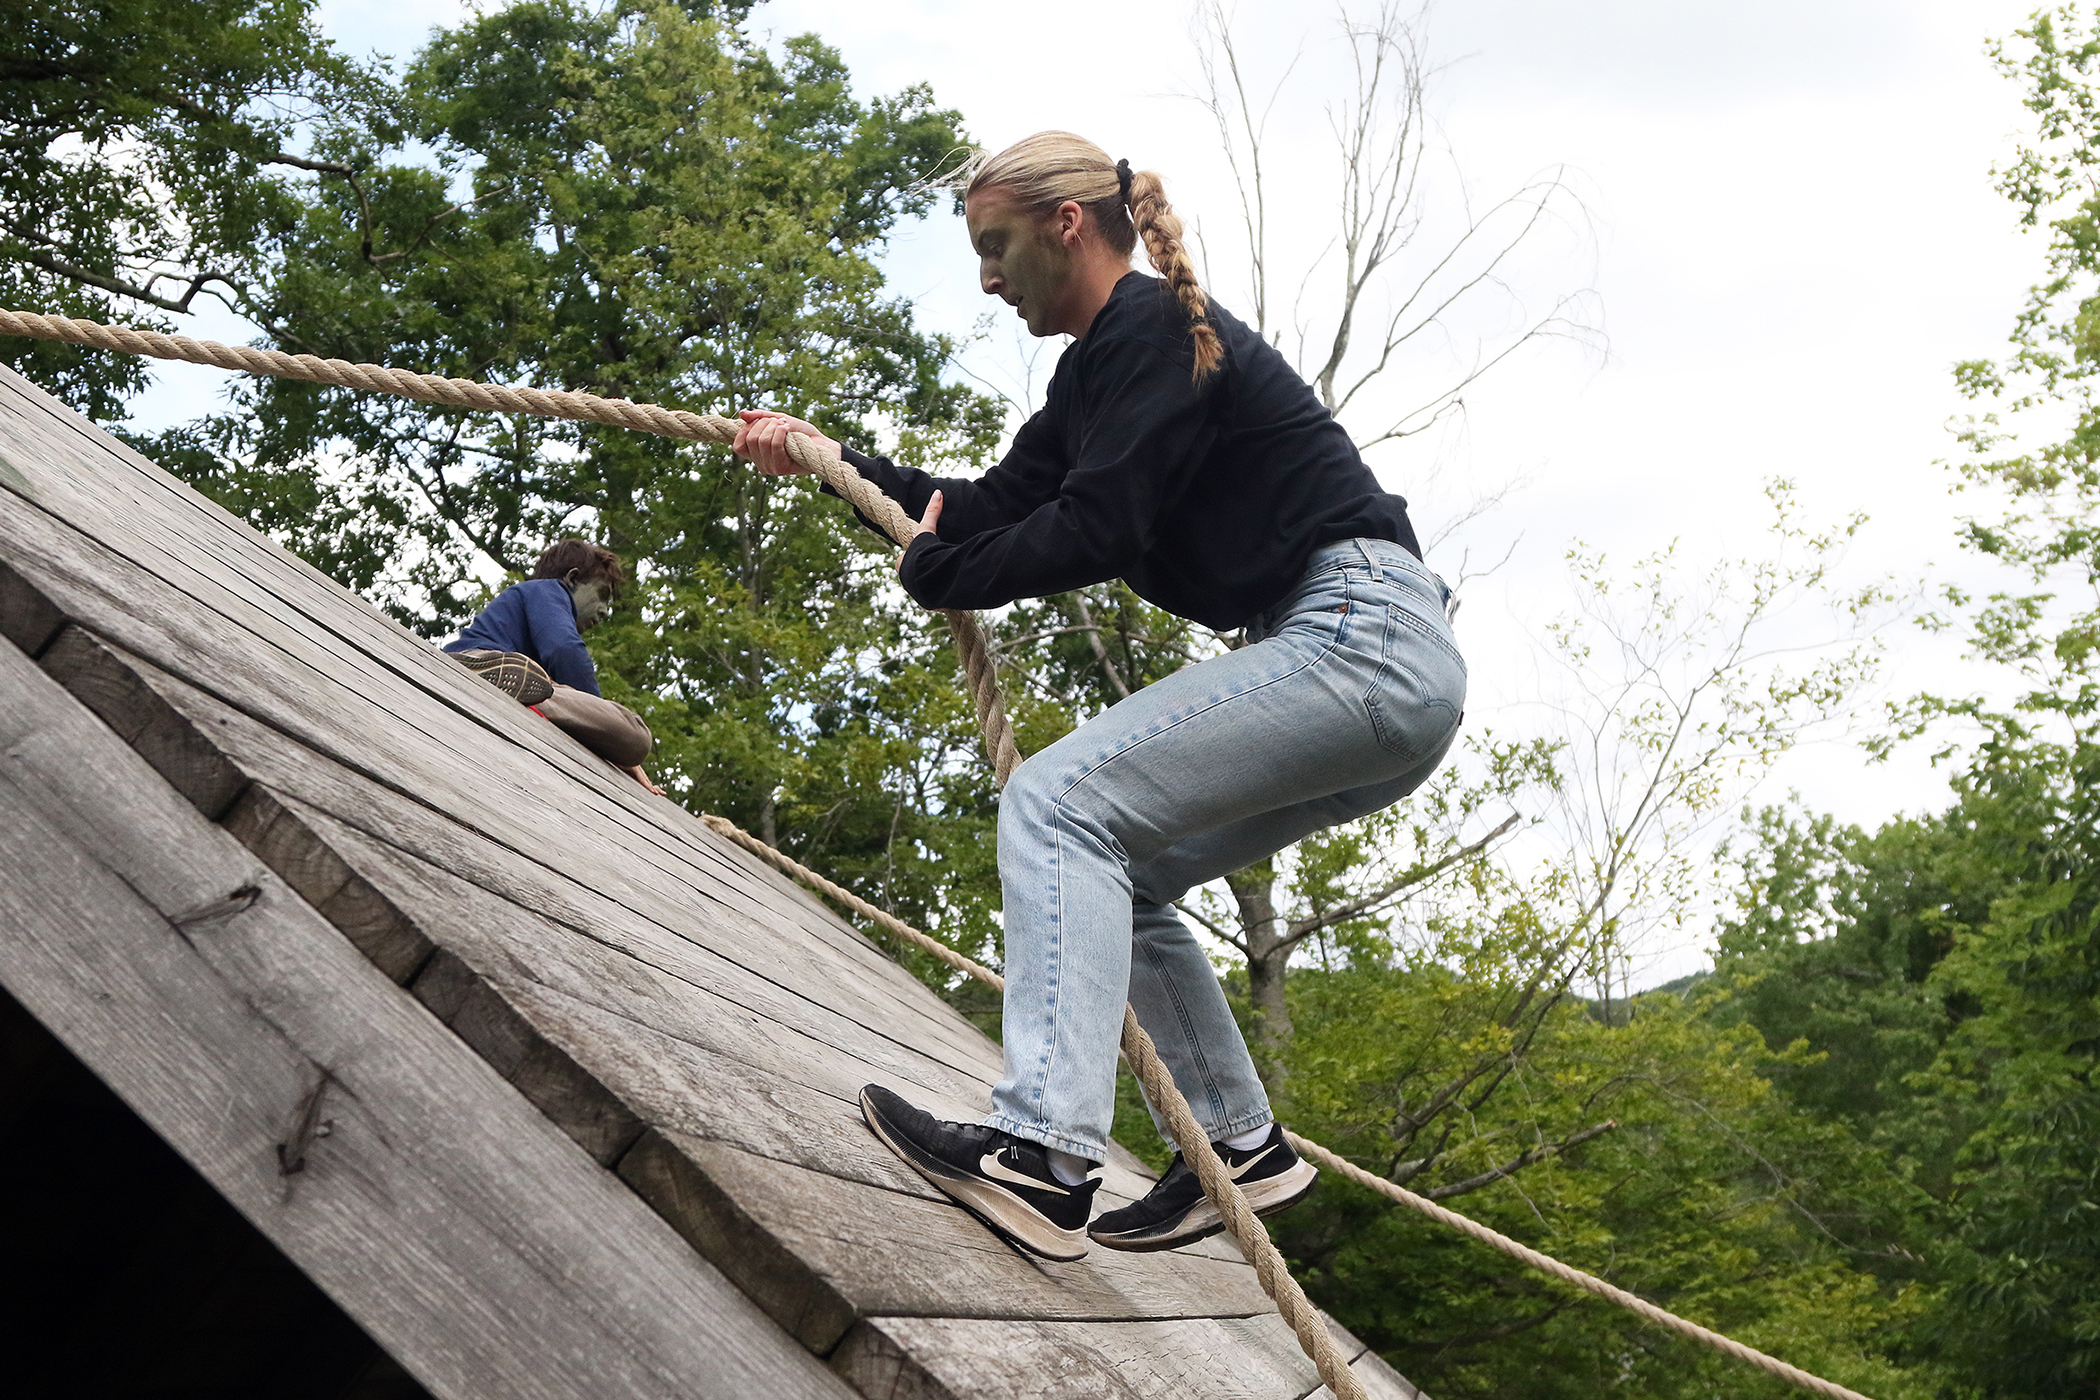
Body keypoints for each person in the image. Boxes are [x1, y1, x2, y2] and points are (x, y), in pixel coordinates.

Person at [732, 131, 1465, 1263]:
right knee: (1121, 879)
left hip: (1359, 635)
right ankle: (1237, 1143)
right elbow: (983, 509)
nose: (986, 280)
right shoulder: (1103, 370)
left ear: (1065, 224)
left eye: (995, 247)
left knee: (1055, 804)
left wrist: (941, 578)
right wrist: (832, 460)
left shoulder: (1156, 328)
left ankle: (1045, 1149)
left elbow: (1094, 529)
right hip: (1379, 665)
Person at [444, 538, 664, 795]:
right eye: (602, 595)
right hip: (484, 657)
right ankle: (527, 689)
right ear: (572, 579)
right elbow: (564, 649)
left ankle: (527, 690)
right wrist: (601, 725)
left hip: (488, 663)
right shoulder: (548, 590)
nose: (604, 611)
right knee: (635, 734)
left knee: (623, 735)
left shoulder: (528, 606)